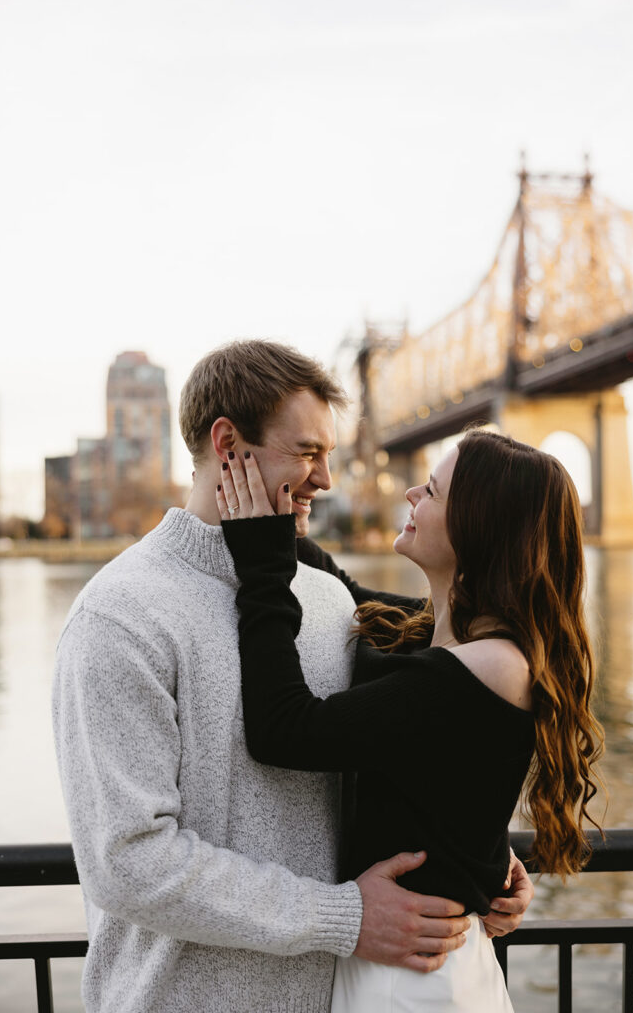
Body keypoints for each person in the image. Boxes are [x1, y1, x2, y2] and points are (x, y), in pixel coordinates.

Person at [53, 341, 533, 1013]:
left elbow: (392, 747)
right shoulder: (120, 615)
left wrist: (477, 856)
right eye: (308, 453)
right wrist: (344, 917)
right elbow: (129, 863)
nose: (326, 480)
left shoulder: (327, 600)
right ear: (228, 445)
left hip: (342, 996)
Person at [216, 428, 605, 1012]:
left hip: (413, 983)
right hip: (408, 962)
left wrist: (260, 570)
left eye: (434, 490)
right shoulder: (447, 638)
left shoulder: (491, 666)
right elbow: (343, 594)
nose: (410, 493)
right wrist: (285, 519)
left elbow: (284, 729)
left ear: (479, 527)